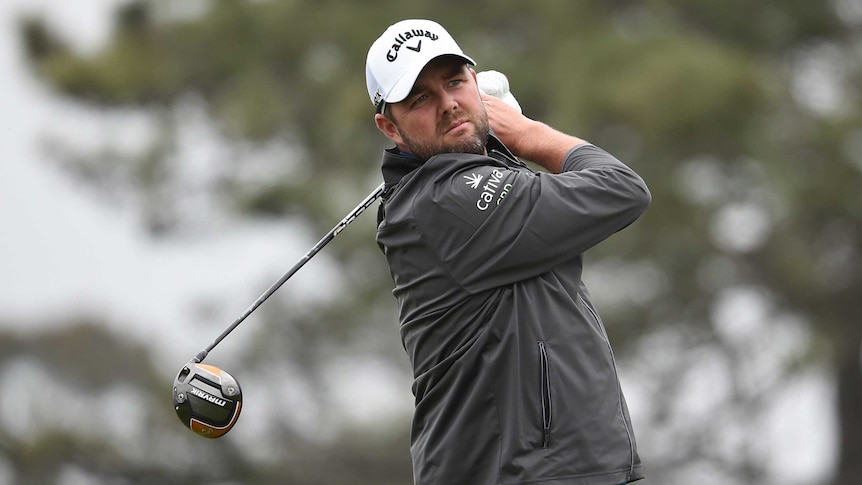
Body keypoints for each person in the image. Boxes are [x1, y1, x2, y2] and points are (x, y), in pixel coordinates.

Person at [366, 19, 650, 485]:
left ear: (475, 83)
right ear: (389, 127)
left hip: (568, 470)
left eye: (455, 82)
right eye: (420, 98)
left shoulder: (452, 190)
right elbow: (620, 189)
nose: (448, 104)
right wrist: (522, 130)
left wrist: (495, 143)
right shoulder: (445, 202)